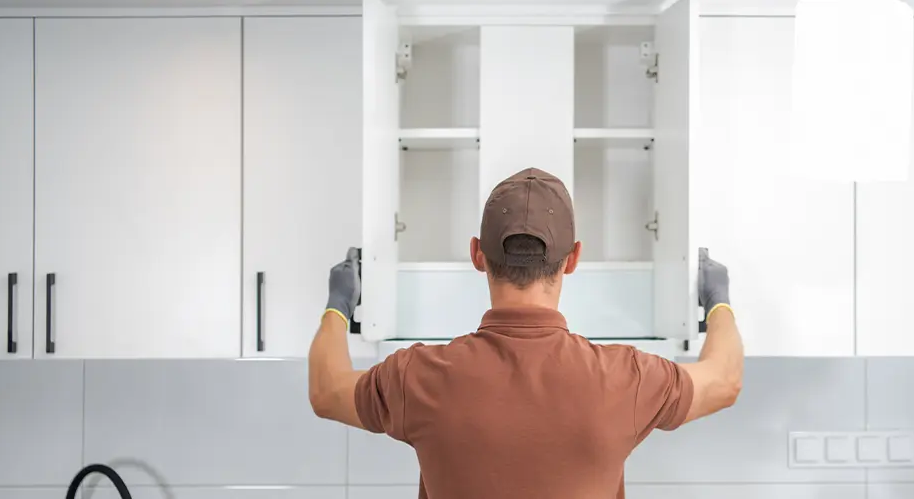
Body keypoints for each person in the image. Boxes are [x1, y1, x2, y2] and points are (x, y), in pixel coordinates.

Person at [308, 168, 744, 499]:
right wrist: (717, 300)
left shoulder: (417, 376)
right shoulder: (626, 378)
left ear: (477, 254)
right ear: (573, 259)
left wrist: (339, 306)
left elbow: (326, 392)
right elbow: (724, 381)